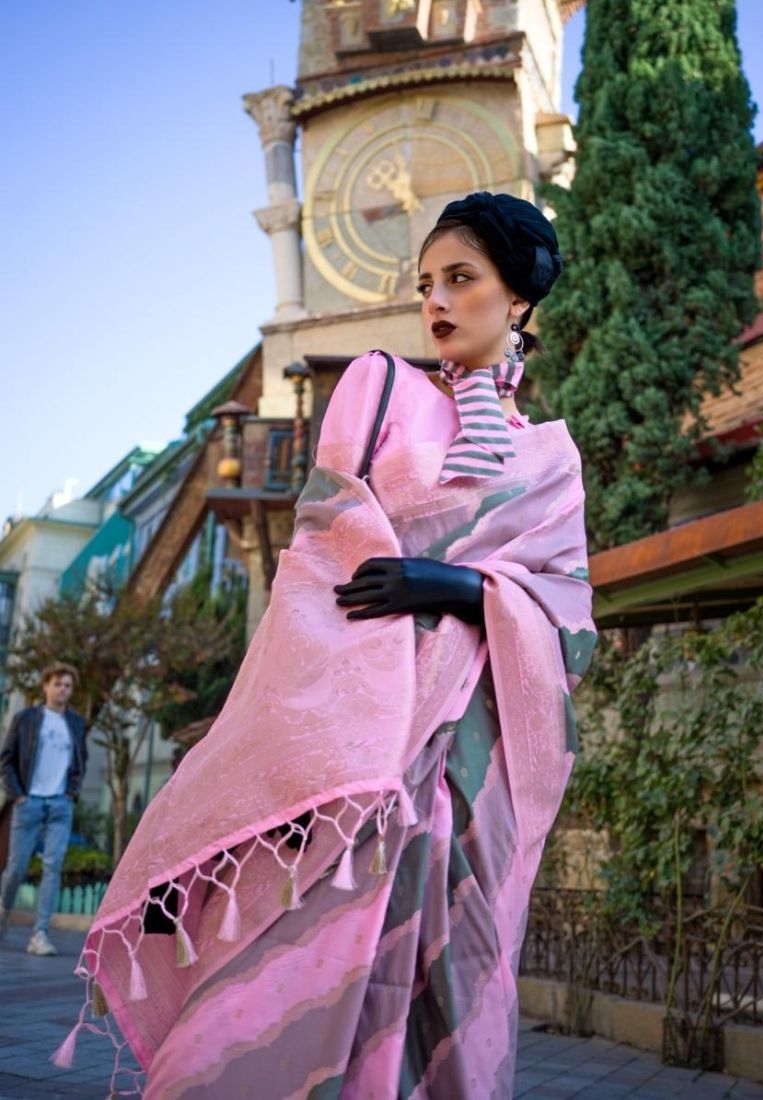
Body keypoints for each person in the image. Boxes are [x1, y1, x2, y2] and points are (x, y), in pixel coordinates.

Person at [60, 192, 596, 1098]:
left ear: (519, 302)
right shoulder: (381, 387)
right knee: (313, 955)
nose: (436, 301)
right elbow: (325, 548)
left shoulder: (551, 458)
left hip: (479, 753)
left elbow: (571, 626)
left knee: (455, 962)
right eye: (426, 282)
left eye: (461, 279)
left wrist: (461, 587)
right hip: (366, 740)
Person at [0, 661, 87, 956]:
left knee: (53, 867)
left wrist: (71, 793)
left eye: (67, 685)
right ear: (46, 686)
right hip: (29, 802)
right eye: (58, 684)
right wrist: (18, 795)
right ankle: (3, 911)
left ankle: (40, 933)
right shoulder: (27, 718)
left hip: (60, 804)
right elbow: (7, 759)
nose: (63, 689)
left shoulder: (74, 723)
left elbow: (80, 761)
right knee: (16, 867)